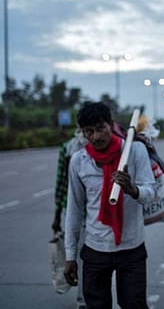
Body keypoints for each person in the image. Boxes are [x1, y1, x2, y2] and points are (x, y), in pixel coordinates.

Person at [64, 102, 155, 308]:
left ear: (111, 125)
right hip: (95, 248)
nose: (96, 137)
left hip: (131, 247)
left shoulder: (135, 150)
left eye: (100, 129)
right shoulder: (79, 161)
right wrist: (70, 256)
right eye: (89, 131)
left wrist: (132, 189)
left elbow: (150, 194)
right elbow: (74, 210)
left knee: (134, 304)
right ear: (82, 133)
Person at [51, 128, 87, 308]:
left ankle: (88, 296)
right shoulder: (68, 149)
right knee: (79, 256)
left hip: (97, 214)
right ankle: (82, 299)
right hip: (74, 210)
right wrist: (57, 215)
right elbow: (61, 181)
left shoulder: (103, 147)